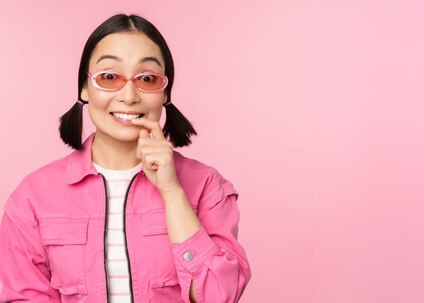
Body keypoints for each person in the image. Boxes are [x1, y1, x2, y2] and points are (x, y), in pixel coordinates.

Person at [0, 13, 251, 302]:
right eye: (109, 77)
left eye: (147, 78)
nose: (129, 95)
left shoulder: (206, 186)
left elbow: (219, 296)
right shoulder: (33, 197)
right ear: (84, 87)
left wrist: (171, 192)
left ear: (164, 91)